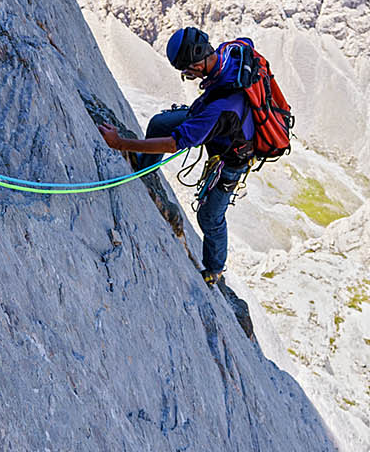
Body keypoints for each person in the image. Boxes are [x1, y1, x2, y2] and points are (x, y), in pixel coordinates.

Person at [98, 26, 255, 285]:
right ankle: (144, 173)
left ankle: (214, 269)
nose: (187, 75)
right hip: (220, 124)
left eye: (187, 70)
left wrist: (120, 143)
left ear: (198, 62)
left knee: (210, 218)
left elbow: (174, 144)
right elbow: (246, 42)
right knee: (160, 123)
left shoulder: (219, 109)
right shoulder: (231, 52)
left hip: (230, 157)